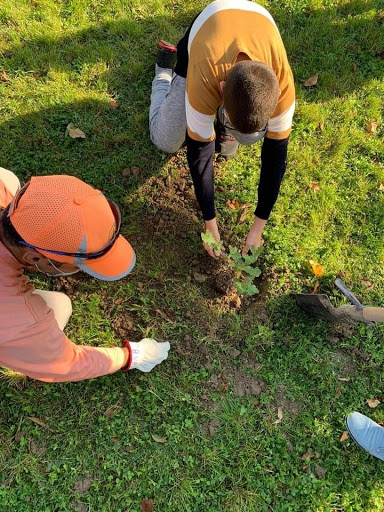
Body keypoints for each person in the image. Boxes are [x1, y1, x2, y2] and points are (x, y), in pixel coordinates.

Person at [149, 0, 295, 258]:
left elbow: (276, 158)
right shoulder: (205, 75)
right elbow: (200, 154)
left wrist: (258, 227)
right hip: (204, 37)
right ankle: (163, 74)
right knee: (166, 140)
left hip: (254, 27)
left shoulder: (282, 84)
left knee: (248, 136)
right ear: (221, 88)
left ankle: (224, 120)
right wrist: (210, 223)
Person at [0, 168, 170, 382]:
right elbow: (67, 364)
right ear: (34, 258)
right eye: (79, 265)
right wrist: (132, 355)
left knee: (7, 180)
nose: (79, 270)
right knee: (60, 306)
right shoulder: (21, 319)